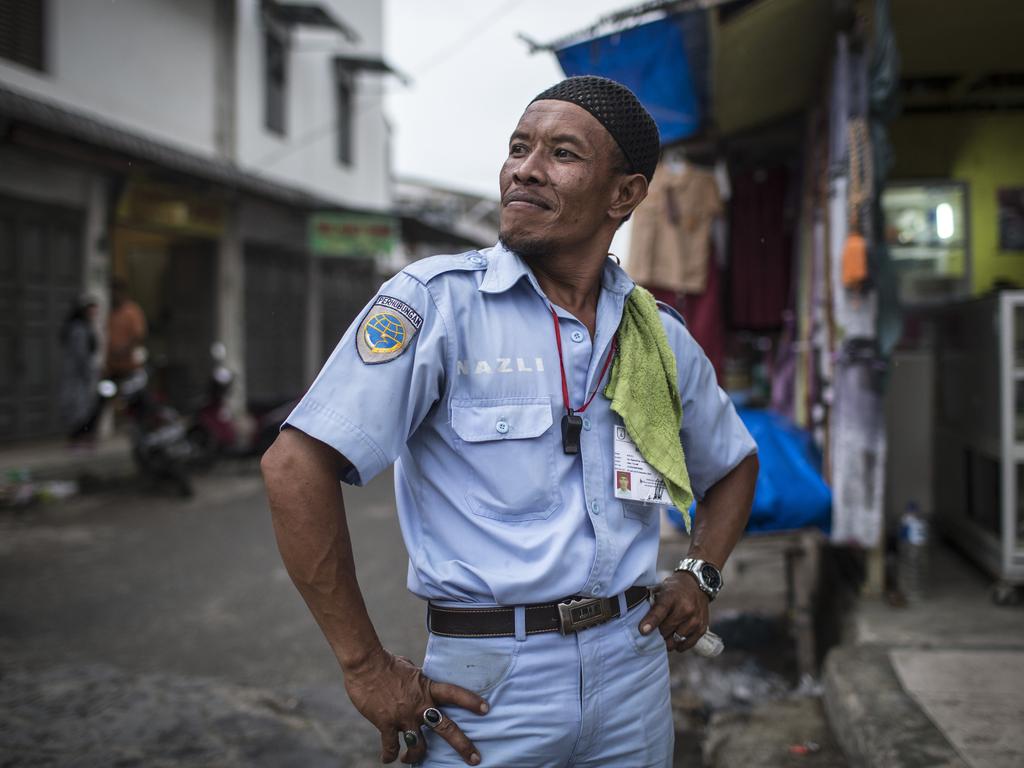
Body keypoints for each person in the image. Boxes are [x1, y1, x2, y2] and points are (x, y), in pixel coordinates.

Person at [261, 76, 758, 767]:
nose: (525, 168)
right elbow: (293, 467)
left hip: (634, 671)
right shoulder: (437, 305)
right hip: (489, 685)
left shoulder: (657, 335)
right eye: (519, 147)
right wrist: (364, 665)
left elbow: (733, 465)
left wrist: (699, 574)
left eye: (561, 153)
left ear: (625, 194)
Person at [59, 296, 102, 444]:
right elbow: (81, 355)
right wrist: (89, 374)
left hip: (81, 375)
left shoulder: (85, 327)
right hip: (78, 376)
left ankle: (81, 437)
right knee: (79, 409)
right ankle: (77, 438)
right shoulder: (79, 329)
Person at [105, 277, 147, 379]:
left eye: (115, 292)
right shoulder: (109, 312)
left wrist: (123, 350)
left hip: (129, 366)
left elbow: (138, 335)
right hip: (111, 367)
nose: (113, 295)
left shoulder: (132, 312)